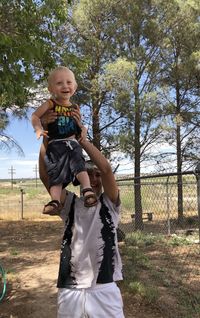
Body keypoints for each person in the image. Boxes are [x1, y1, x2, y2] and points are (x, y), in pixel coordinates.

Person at [39, 122, 125, 317]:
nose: (94, 179)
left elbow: (106, 170)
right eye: (88, 175)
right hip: (70, 286)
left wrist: (82, 141)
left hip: (104, 285)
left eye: (97, 175)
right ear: (80, 179)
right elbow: (47, 177)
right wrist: (45, 141)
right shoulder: (70, 204)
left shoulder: (109, 204)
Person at [31, 66, 97, 215]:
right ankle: (55, 201)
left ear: (75, 86)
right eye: (59, 83)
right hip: (56, 144)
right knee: (56, 175)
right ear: (51, 88)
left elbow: (78, 124)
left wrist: (83, 129)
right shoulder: (50, 104)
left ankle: (87, 191)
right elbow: (35, 116)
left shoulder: (75, 107)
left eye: (69, 82)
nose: (65, 86)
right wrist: (38, 128)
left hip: (72, 143)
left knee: (80, 165)